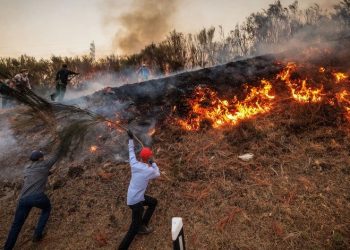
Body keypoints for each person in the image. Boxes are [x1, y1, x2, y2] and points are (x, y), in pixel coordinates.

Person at [4, 149, 60, 250]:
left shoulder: (27, 168)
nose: (44, 158)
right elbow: (57, 155)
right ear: (40, 158)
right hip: (37, 197)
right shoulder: (44, 164)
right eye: (42, 156)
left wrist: (49, 173)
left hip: (23, 199)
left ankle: (7, 248)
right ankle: (37, 235)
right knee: (47, 208)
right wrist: (66, 142)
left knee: (16, 225)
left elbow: (36, 175)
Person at [118, 130, 160, 250]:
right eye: (150, 157)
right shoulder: (149, 171)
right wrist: (154, 164)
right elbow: (158, 174)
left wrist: (131, 139)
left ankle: (143, 225)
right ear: (148, 158)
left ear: (140, 157)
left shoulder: (134, 164)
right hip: (136, 202)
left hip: (132, 197)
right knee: (133, 229)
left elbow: (131, 151)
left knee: (153, 202)